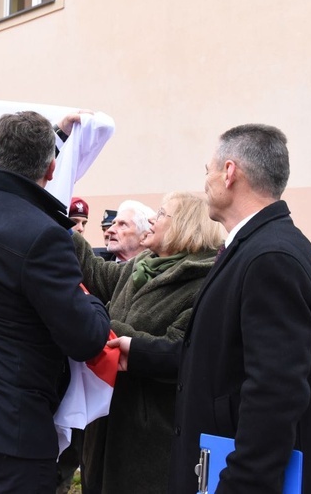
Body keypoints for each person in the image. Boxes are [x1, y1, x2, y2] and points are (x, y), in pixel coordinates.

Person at [109, 124, 311, 493]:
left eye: (208, 170)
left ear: (229, 172)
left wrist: (238, 485)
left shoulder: (270, 258)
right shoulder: (253, 247)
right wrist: (139, 351)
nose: (206, 181)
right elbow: (217, 355)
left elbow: (274, 397)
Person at [0, 111, 111, 492]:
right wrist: (93, 303)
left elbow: (1, 175)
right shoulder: (45, 237)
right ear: (51, 168)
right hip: (10, 427)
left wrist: (58, 136)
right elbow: (86, 338)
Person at [72, 192, 223, 493]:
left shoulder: (203, 283)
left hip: (149, 440)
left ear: (184, 226)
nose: (152, 220)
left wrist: (105, 326)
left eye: (162, 214)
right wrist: (60, 227)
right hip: (104, 429)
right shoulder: (142, 264)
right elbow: (97, 274)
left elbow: (179, 350)